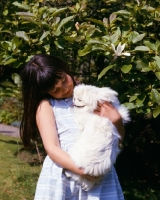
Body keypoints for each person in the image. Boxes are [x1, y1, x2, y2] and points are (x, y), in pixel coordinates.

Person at [20, 54, 125, 200]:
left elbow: (115, 141)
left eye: (64, 79)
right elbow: (52, 148)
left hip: (99, 175)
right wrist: (83, 171)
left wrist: (117, 120)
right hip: (66, 175)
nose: (64, 88)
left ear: (65, 69)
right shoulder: (47, 106)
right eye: (55, 90)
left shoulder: (90, 98)